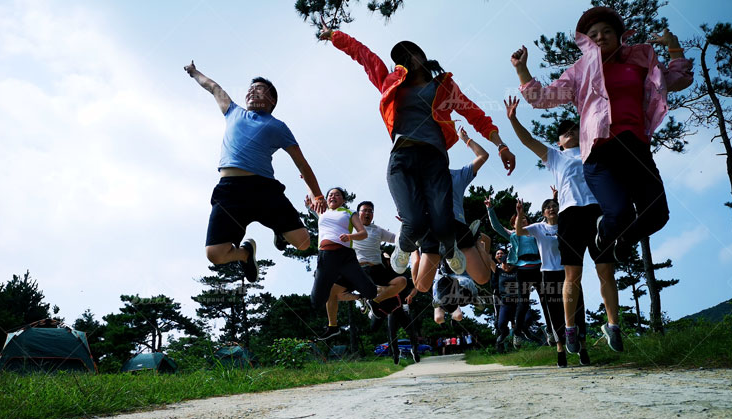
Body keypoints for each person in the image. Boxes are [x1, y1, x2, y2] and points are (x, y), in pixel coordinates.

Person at [319, 21, 515, 277]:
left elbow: (475, 115)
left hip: (434, 160)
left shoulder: (444, 88)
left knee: (445, 227)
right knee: (415, 224)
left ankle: (450, 247)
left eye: (409, 54)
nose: (405, 60)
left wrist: (500, 145)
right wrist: (335, 36)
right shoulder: (391, 83)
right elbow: (364, 56)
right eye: (400, 58)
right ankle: (403, 247)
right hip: (402, 158)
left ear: (422, 58)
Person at [510, 7, 693, 266]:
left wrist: (674, 47)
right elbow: (542, 98)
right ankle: (605, 234)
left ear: (620, 36)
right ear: (586, 41)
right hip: (600, 151)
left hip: (635, 147)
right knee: (619, 213)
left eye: (607, 31)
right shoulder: (579, 71)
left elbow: (678, 79)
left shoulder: (640, 61)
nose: (600, 37)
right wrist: (522, 70)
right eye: (593, 34)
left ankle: (625, 239)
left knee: (657, 215)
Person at [184, 62, 327, 282]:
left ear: (271, 100)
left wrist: (316, 194)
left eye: (258, 89)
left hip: (263, 190)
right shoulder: (233, 112)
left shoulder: (278, 126)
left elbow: (301, 163)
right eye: (250, 88)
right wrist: (194, 73)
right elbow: (213, 87)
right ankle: (245, 253)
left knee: (303, 242)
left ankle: (280, 232)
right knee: (215, 254)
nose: (251, 91)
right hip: (230, 192)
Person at [504, 96, 623, 353]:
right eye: (563, 132)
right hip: (569, 216)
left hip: (597, 213)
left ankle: (613, 326)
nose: (569, 132)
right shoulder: (556, 157)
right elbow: (528, 141)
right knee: (573, 276)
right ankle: (570, 329)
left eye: (573, 129)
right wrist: (513, 120)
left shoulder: (594, 150)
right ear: (559, 141)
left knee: (606, 271)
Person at [413, 126, 495, 293]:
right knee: (421, 286)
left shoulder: (458, 175)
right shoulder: (422, 176)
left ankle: (466, 244)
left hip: (451, 225)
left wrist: (466, 139)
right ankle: (418, 249)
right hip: (434, 226)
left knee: (483, 278)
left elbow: (483, 156)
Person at [515, 198, 588, 368]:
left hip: (569, 273)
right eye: (547, 207)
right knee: (554, 313)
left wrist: (557, 198)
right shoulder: (539, 228)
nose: (551, 209)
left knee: (577, 309)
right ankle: (560, 350)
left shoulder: (566, 224)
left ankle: (582, 349)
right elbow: (519, 232)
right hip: (548, 274)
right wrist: (520, 214)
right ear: (543, 213)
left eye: (554, 206)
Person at [309, 188, 383, 332]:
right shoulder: (322, 212)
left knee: (371, 292)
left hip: (345, 256)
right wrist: (305, 179)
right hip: (326, 257)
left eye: (337, 195)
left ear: (343, 200)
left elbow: (363, 233)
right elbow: (314, 195)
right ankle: (334, 327)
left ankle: (366, 296)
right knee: (316, 302)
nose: (333, 196)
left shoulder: (349, 213)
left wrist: (350, 237)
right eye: (330, 195)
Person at [485, 199, 552, 346]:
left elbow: (547, 217)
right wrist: (490, 209)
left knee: (546, 300)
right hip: (522, 269)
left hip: (539, 268)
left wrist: (555, 199)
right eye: (518, 220)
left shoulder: (536, 231)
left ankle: (551, 330)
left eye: (524, 219)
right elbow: (496, 226)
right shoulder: (513, 235)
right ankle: (517, 332)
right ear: (514, 225)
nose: (522, 222)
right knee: (523, 303)